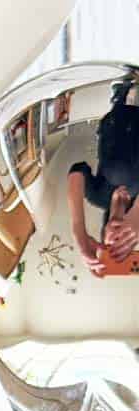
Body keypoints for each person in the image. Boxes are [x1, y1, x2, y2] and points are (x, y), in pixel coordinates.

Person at [68, 81, 139, 276]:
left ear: (103, 237)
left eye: (110, 248)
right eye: (123, 245)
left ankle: (120, 94)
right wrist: (136, 215)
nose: (116, 241)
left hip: (118, 113)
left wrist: (79, 231)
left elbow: (77, 170)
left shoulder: (98, 196)